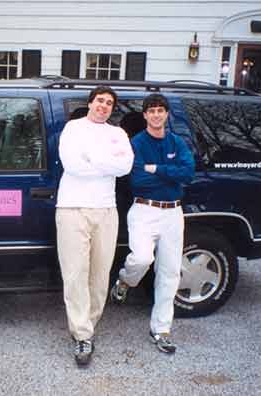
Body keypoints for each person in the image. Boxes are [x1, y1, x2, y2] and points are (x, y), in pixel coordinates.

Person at [111, 93, 195, 354]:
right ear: (145, 115)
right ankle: (125, 281)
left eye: (161, 110)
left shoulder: (177, 142)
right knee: (142, 259)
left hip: (173, 213)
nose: (157, 115)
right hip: (144, 210)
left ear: (167, 114)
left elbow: (188, 173)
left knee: (169, 272)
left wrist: (155, 169)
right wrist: (168, 174)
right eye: (152, 111)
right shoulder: (136, 143)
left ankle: (161, 330)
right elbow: (138, 181)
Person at [56, 86, 134, 366]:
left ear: (113, 108)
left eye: (109, 102)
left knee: (100, 275)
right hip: (72, 208)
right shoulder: (73, 129)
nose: (103, 105)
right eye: (99, 100)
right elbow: (72, 164)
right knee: (76, 273)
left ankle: (88, 323)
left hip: (106, 209)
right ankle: (82, 334)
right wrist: (106, 164)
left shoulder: (117, 134)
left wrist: (93, 158)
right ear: (90, 103)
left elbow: (125, 167)